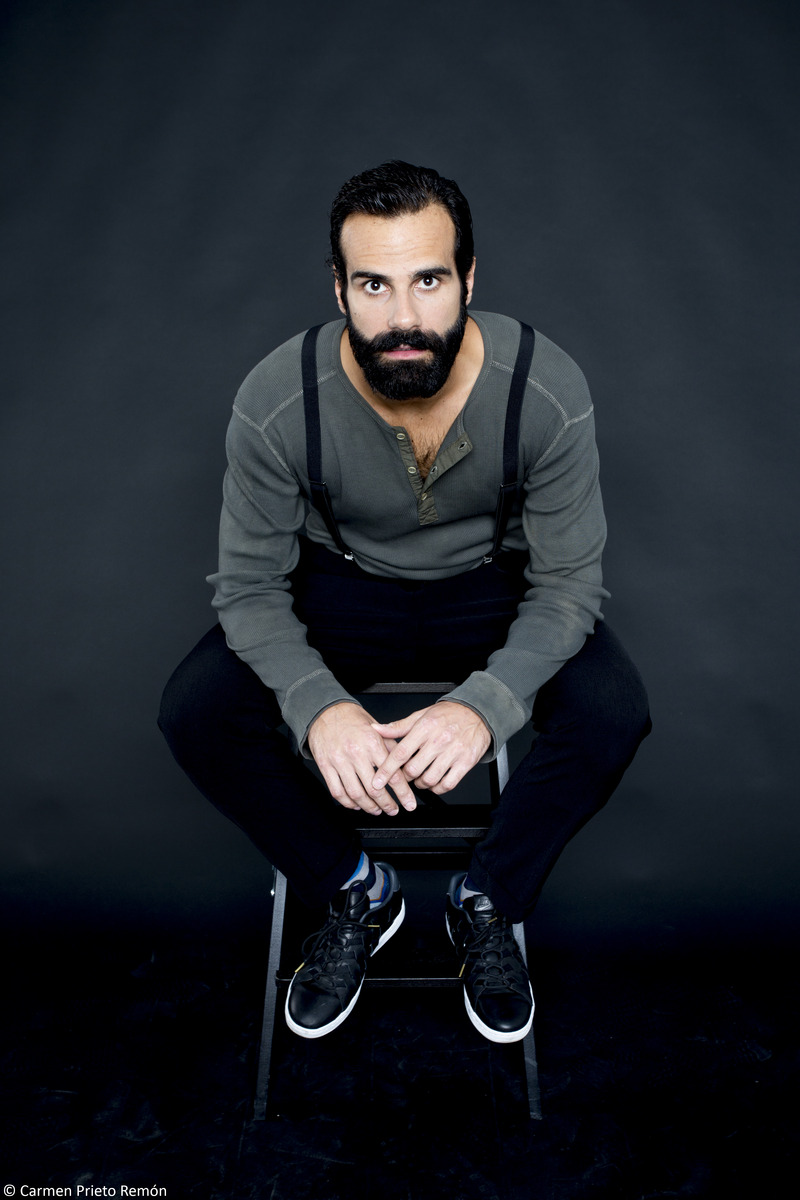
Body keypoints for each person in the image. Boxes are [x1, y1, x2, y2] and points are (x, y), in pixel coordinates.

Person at [159, 160, 651, 1046]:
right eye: (374, 285)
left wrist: (485, 706)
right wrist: (317, 708)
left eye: (428, 280)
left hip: (491, 592)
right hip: (341, 589)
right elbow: (249, 588)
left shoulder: (544, 389)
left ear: (469, 279)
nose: (403, 318)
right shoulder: (277, 397)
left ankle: (486, 899)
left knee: (613, 709)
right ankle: (355, 889)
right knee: (196, 709)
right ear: (339, 289)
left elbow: (568, 587)